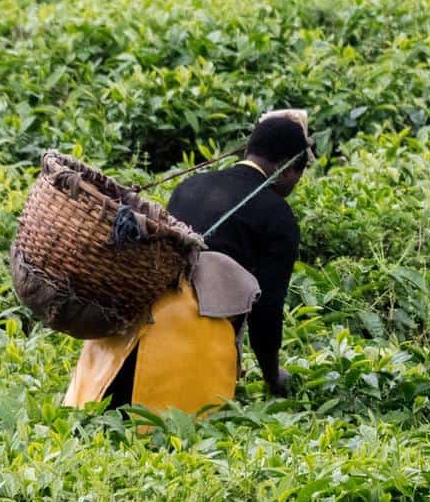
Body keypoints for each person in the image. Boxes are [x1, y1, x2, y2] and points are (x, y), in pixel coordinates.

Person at [63, 110, 311, 415]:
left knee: (97, 418)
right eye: (299, 175)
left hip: (126, 333)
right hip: (190, 350)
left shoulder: (190, 186)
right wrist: (273, 377)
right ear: (287, 170)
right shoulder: (279, 216)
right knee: (165, 431)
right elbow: (267, 311)